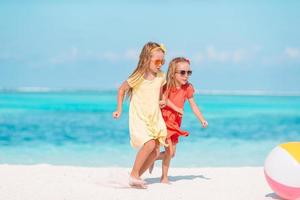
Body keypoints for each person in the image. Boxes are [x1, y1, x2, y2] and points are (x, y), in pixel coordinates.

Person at [112, 42, 168, 189]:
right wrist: (119, 109)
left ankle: (135, 178)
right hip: (140, 116)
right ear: (146, 59)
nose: (160, 64)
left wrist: (163, 101)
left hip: (154, 116)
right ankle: (134, 174)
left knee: (156, 150)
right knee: (149, 144)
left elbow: (160, 95)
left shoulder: (161, 76)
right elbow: (122, 89)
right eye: (157, 61)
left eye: (162, 61)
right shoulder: (139, 76)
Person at [151, 57, 208, 183]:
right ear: (173, 73)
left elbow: (193, 105)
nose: (186, 75)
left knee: (171, 154)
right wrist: (176, 108)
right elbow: (164, 100)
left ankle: (153, 158)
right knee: (169, 152)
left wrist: (202, 119)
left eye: (189, 72)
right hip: (164, 121)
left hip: (176, 123)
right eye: (182, 72)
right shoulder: (167, 86)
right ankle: (164, 177)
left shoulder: (188, 88)